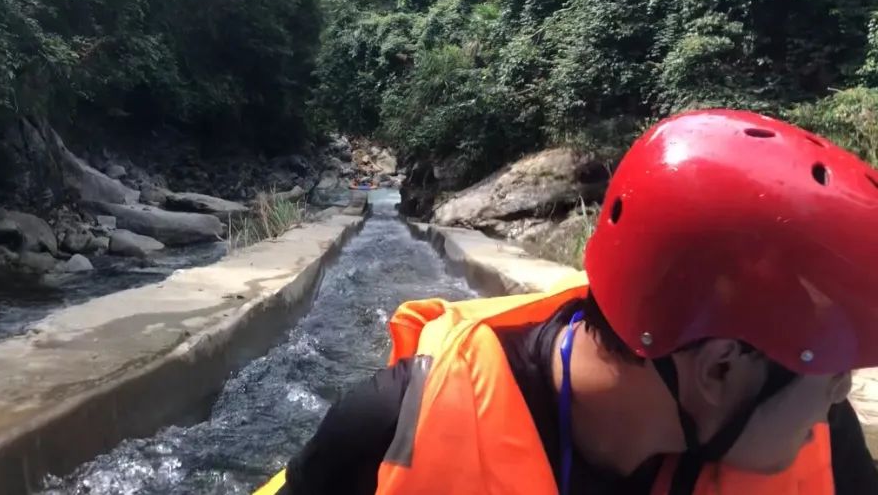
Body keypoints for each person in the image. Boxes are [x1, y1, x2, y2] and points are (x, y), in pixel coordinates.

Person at [256, 109, 878, 495]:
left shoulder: (826, 444)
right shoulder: (388, 429)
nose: (839, 392)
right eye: (832, 368)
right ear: (719, 368)